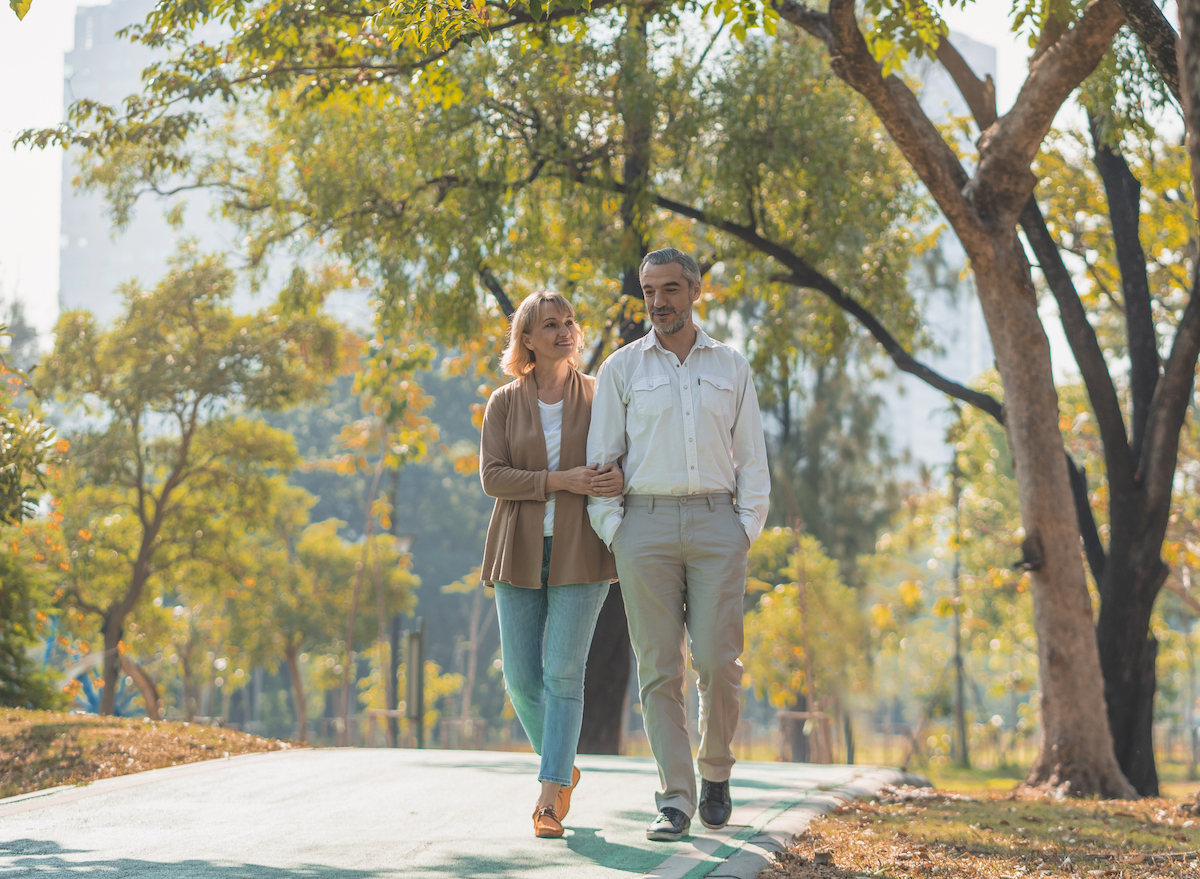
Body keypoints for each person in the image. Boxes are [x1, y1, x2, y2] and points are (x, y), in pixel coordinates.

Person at [587, 248, 770, 841]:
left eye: (670, 289)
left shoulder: (731, 365)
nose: (659, 301)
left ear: (694, 290)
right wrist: (617, 530)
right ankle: (674, 799)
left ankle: (716, 769)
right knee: (659, 670)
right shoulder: (622, 368)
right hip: (645, 527)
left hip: (719, 523)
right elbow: (600, 460)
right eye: (649, 291)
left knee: (719, 663)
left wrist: (745, 527)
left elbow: (752, 457)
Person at [479, 290, 622, 840]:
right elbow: (493, 476)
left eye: (569, 322)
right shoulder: (503, 402)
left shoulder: (601, 394)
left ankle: (548, 797)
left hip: (581, 548)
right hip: (516, 547)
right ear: (528, 340)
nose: (564, 331)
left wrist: (613, 479)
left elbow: (619, 459)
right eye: (550, 325)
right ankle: (562, 766)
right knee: (519, 679)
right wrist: (562, 481)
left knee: (564, 674)